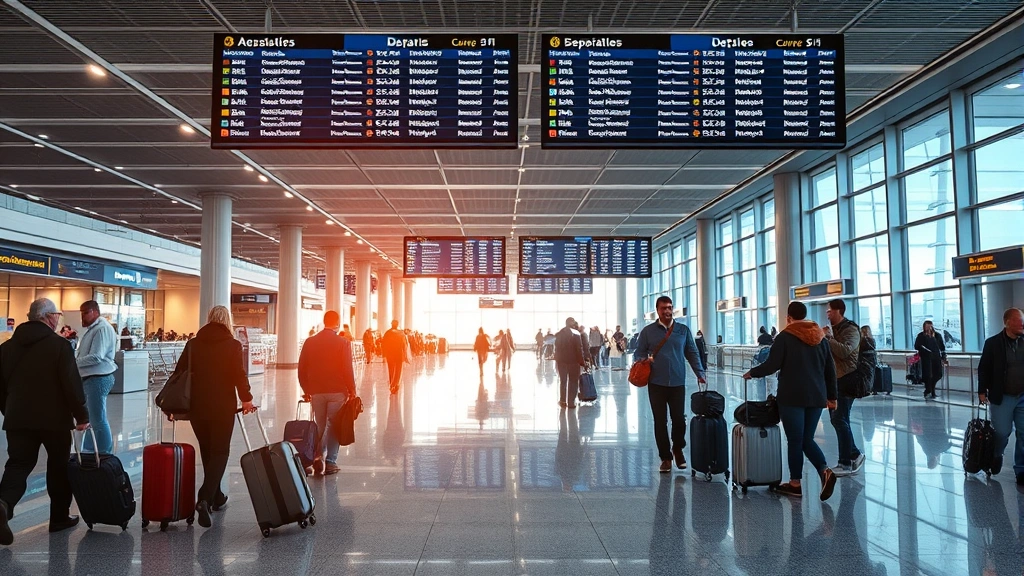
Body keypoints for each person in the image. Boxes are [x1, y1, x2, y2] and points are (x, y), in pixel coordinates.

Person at [0, 298, 90, 545]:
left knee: (18, 463)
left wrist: (9, 411)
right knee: (58, 466)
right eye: (57, 315)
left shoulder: (6, 348)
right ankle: (59, 517)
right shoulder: (59, 346)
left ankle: (3, 504)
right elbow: (71, 385)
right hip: (54, 419)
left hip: (18, 417)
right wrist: (81, 415)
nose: (58, 319)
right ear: (48, 317)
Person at [167, 305, 255, 528]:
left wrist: (172, 406)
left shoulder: (193, 344)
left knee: (207, 451)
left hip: (197, 407)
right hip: (222, 407)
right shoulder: (233, 345)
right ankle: (204, 498)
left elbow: (179, 374)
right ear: (227, 321)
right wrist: (246, 398)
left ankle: (217, 497)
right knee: (220, 451)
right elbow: (238, 374)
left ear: (208, 320)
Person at [744, 301, 838, 501]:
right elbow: (830, 369)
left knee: (795, 440)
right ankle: (824, 471)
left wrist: (753, 372)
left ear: (789, 317)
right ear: (806, 315)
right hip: (816, 397)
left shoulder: (785, 337)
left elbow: (772, 364)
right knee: (806, 439)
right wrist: (832, 397)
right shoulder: (820, 337)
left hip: (792, 396)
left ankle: (796, 483)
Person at [634, 296, 706, 473]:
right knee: (660, 421)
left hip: (677, 382)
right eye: (663, 308)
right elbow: (638, 353)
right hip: (656, 382)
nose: (667, 311)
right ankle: (665, 457)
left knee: (679, 419)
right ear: (657, 310)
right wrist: (645, 360)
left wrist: (700, 373)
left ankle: (678, 448)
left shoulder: (683, 330)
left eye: (670, 307)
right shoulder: (648, 331)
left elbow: (692, 352)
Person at [297, 310, 356, 476]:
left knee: (321, 425)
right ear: (337, 323)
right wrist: (352, 390)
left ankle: (316, 456)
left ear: (324, 322)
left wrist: (306, 389)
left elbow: (302, 368)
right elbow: (347, 369)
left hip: (316, 391)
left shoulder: (310, 342)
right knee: (333, 425)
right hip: (338, 391)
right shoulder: (343, 343)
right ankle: (329, 462)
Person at [978, 308, 1024, 483]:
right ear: (1007, 323)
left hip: (1022, 397)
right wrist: (982, 392)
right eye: (1019, 320)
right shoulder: (993, 343)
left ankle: (1021, 471)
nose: (1022, 324)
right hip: (1002, 396)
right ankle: (996, 454)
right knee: (1002, 433)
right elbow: (984, 369)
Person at [823, 298, 864, 477]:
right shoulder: (836, 329)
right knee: (838, 419)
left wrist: (828, 338)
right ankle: (854, 453)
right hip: (835, 381)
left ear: (839, 311)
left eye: (830, 311)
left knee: (839, 419)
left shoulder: (851, 329)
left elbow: (845, 351)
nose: (827, 313)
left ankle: (845, 463)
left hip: (847, 380)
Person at [76, 300, 117, 454]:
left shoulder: (102, 329)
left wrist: (73, 363)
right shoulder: (93, 329)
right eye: (82, 313)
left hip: (98, 378)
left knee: (98, 419)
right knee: (92, 419)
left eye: (86, 313)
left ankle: (105, 453)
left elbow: (96, 357)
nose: (83, 317)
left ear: (95, 312)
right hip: (90, 378)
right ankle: (89, 450)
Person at [554, 317, 585, 408]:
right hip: (573, 361)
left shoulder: (559, 334)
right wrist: (582, 362)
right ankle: (571, 402)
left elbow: (557, 348)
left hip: (562, 361)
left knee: (563, 381)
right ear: (572, 323)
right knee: (573, 381)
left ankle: (563, 401)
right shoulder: (576, 333)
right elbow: (579, 349)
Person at [914, 320, 947, 400]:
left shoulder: (937, 336)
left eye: (930, 326)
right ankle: (929, 390)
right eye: (927, 326)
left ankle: (931, 388)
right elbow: (917, 346)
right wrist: (923, 350)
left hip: (936, 357)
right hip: (926, 358)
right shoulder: (921, 336)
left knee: (938, 374)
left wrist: (943, 356)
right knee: (928, 375)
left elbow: (942, 347)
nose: (928, 328)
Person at [381, 320, 409, 395]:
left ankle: (392, 385)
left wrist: (384, 355)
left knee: (391, 370)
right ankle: (396, 384)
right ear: (397, 324)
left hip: (390, 355)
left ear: (391, 324)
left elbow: (383, 344)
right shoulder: (401, 333)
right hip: (399, 355)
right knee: (398, 371)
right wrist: (405, 356)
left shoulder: (387, 333)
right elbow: (404, 345)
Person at [860, 326, 878, 394]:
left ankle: (865, 389)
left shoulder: (863, 340)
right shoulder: (872, 339)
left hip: (864, 360)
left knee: (864, 376)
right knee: (871, 375)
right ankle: (871, 388)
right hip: (872, 359)